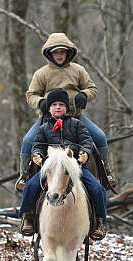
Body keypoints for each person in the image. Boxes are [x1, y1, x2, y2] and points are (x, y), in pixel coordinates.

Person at [15, 32, 116, 191]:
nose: (59, 55)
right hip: (48, 119)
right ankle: (24, 176)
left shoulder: (78, 70)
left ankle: (106, 174)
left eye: (62, 52)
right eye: (56, 52)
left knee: (100, 136)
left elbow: (92, 88)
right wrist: (40, 102)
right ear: (50, 53)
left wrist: (84, 95)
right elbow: (31, 94)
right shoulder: (42, 73)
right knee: (28, 141)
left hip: (75, 117)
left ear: (68, 52)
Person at [19, 89, 107, 240]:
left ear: (67, 107)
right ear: (49, 108)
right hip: (52, 168)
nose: (58, 107)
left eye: (61, 104)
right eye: (54, 104)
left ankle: (99, 221)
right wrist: (37, 155)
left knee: (97, 188)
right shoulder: (44, 128)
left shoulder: (76, 124)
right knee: (31, 186)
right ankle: (27, 217)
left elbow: (86, 141)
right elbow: (38, 144)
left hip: (74, 167)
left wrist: (85, 152)